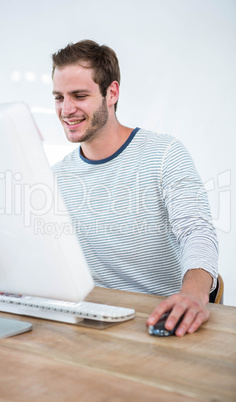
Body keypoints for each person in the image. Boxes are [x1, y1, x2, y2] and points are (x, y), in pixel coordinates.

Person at [51, 40, 218, 336]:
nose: (66, 109)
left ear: (111, 93)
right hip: (94, 320)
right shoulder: (56, 176)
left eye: (79, 95)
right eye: (58, 97)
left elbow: (197, 231)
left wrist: (193, 293)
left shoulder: (165, 153)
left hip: (158, 317)